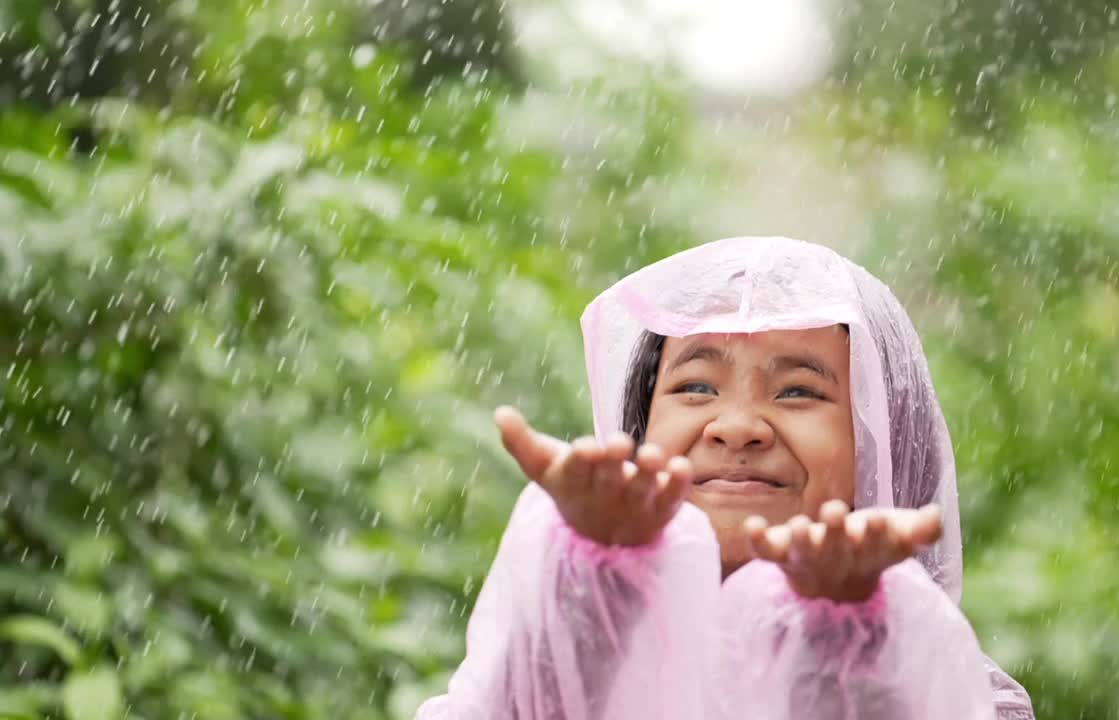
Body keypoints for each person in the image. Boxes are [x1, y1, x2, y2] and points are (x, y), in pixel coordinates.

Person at [415, 237, 1035, 719]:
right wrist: (593, 578)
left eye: (797, 390)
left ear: (886, 442)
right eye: (695, 387)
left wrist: (846, 637)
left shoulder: (968, 699)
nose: (736, 427)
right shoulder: (554, 636)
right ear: (638, 429)